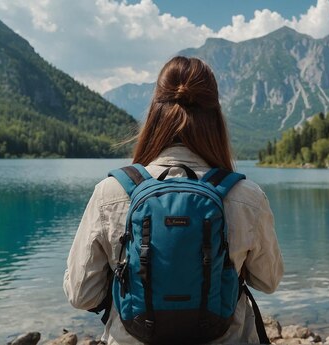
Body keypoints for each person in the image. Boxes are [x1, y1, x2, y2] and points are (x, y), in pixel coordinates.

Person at [63, 56, 283, 344]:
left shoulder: (111, 192)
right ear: (216, 118)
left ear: (155, 113)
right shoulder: (246, 195)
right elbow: (268, 280)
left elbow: (82, 295)